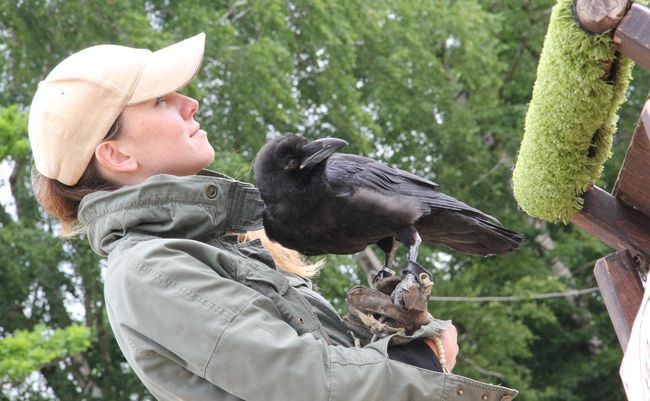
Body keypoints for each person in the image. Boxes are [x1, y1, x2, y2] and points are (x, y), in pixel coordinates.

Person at [28, 33, 517, 401]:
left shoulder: (222, 244)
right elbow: (302, 381)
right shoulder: (149, 269)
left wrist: (393, 332)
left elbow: (314, 364)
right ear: (116, 155)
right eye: (160, 100)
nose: (189, 102)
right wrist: (425, 368)